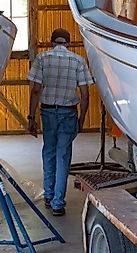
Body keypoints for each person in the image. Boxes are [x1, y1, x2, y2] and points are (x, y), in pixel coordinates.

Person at [26, 28, 93, 216]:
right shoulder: (78, 60)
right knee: (63, 156)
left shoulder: (42, 58)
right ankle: (58, 203)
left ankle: (48, 194)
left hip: (47, 112)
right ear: (69, 43)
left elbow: (36, 90)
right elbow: (85, 95)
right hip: (68, 114)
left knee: (48, 152)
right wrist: (82, 119)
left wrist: (31, 117)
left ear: (51, 42)